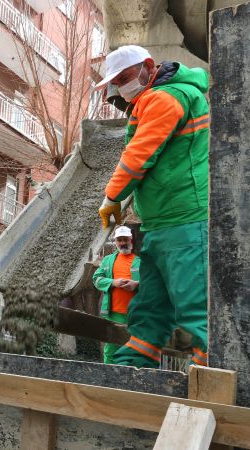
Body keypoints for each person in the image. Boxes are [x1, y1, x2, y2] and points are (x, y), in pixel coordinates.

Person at [95, 45, 209, 368]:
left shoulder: (165, 97)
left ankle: (214, 370)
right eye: (116, 83)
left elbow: (140, 155)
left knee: (194, 304)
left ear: (148, 67)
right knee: (152, 304)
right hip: (161, 223)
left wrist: (113, 196)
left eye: (125, 78)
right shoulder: (152, 100)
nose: (121, 88)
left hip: (184, 219)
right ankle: (136, 358)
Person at [92, 226, 140, 364]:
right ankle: (109, 377)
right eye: (120, 240)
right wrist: (113, 282)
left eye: (125, 239)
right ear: (115, 241)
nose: (123, 243)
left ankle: (129, 378)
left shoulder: (140, 262)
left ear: (131, 240)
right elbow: (96, 279)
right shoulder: (107, 260)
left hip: (135, 315)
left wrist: (136, 284)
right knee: (110, 349)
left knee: (133, 349)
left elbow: (151, 284)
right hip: (112, 313)